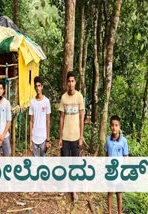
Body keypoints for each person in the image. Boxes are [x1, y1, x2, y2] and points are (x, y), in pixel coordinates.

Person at [58, 71, 85, 202]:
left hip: (75, 137)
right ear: (66, 83)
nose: (70, 84)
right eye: (68, 81)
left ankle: (74, 190)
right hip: (65, 136)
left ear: (75, 82)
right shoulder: (63, 98)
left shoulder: (79, 97)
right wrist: (60, 137)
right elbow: (61, 118)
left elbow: (81, 118)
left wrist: (81, 136)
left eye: (72, 81)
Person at [105, 115, 129, 214]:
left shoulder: (123, 141)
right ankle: (109, 212)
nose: (114, 127)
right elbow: (106, 154)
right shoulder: (108, 140)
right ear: (110, 126)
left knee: (119, 194)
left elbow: (126, 157)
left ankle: (120, 212)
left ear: (119, 127)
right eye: (112, 125)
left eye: (116, 125)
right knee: (110, 192)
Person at [29, 76, 51, 157]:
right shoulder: (32, 102)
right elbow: (31, 121)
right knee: (34, 162)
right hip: (34, 137)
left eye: (39, 86)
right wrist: (30, 140)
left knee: (43, 161)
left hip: (43, 137)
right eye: (36, 86)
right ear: (34, 87)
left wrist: (48, 139)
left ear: (42, 87)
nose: (37, 88)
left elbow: (48, 120)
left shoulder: (46, 101)